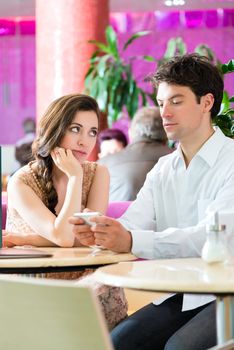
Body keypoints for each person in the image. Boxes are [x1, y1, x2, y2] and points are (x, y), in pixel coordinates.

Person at [69, 54, 234, 349]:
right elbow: (133, 223)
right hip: (178, 290)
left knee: (179, 347)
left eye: (176, 101)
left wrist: (130, 239)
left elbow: (209, 240)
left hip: (227, 292)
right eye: (160, 103)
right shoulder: (163, 168)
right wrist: (101, 232)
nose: (164, 112)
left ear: (207, 103)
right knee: (118, 342)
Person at [4, 93, 128, 330]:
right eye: (75, 129)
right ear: (55, 129)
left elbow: (90, 237)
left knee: (102, 295)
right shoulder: (21, 181)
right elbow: (64, 237)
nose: (85, 141)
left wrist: (26, 239)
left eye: (93, 132)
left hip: (89, 283)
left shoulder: (98, 174)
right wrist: (74, 178)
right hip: (32, 285)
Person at [98, 106, 172, 201]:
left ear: (130, 132)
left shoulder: (102, 164)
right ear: (167, 134)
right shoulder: (181, 159)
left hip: (116, 216)